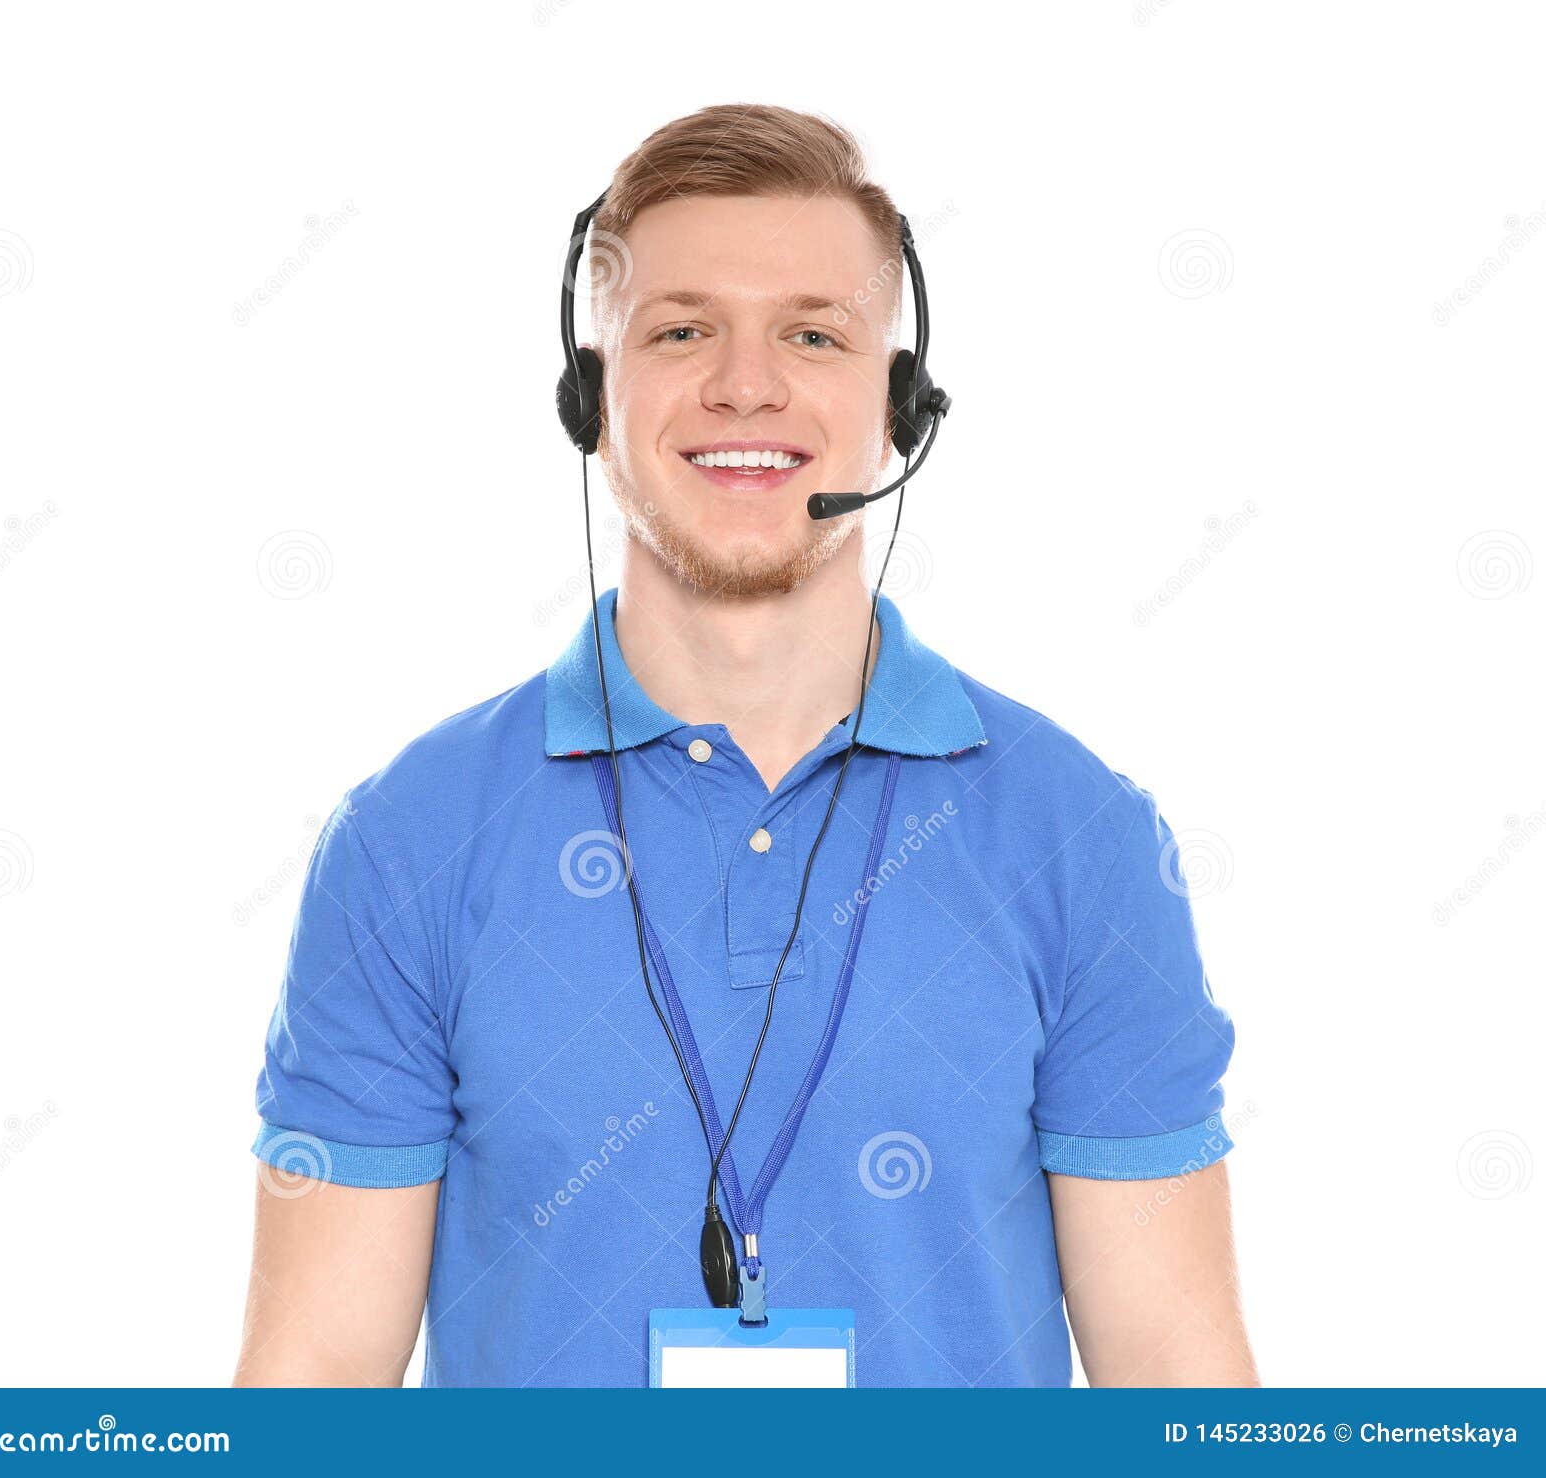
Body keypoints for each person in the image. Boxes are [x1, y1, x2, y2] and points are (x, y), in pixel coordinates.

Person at [233, 102, 1257, 1389]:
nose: (745, 383)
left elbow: (1172, 1376)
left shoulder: (1081, 836)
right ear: (589, 397)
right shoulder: (408, 840)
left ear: (900, 403)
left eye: (812, 333)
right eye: (680, 329)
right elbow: (316, 1377)